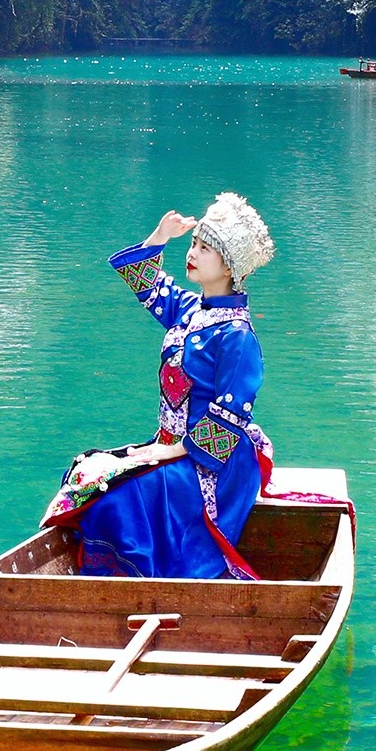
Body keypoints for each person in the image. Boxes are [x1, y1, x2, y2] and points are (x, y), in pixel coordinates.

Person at [44, 192, 276, 578]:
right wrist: (159, 237)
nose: (194, 253)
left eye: (205, 249)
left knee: (117, 497)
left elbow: (230, 417)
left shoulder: (237, 335)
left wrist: (168, 453)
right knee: (88, 471)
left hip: (214, 464)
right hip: (172, 448)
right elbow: (147, 284)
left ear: (229, 266)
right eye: (195, 244)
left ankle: (132, 577)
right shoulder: (189, 309)